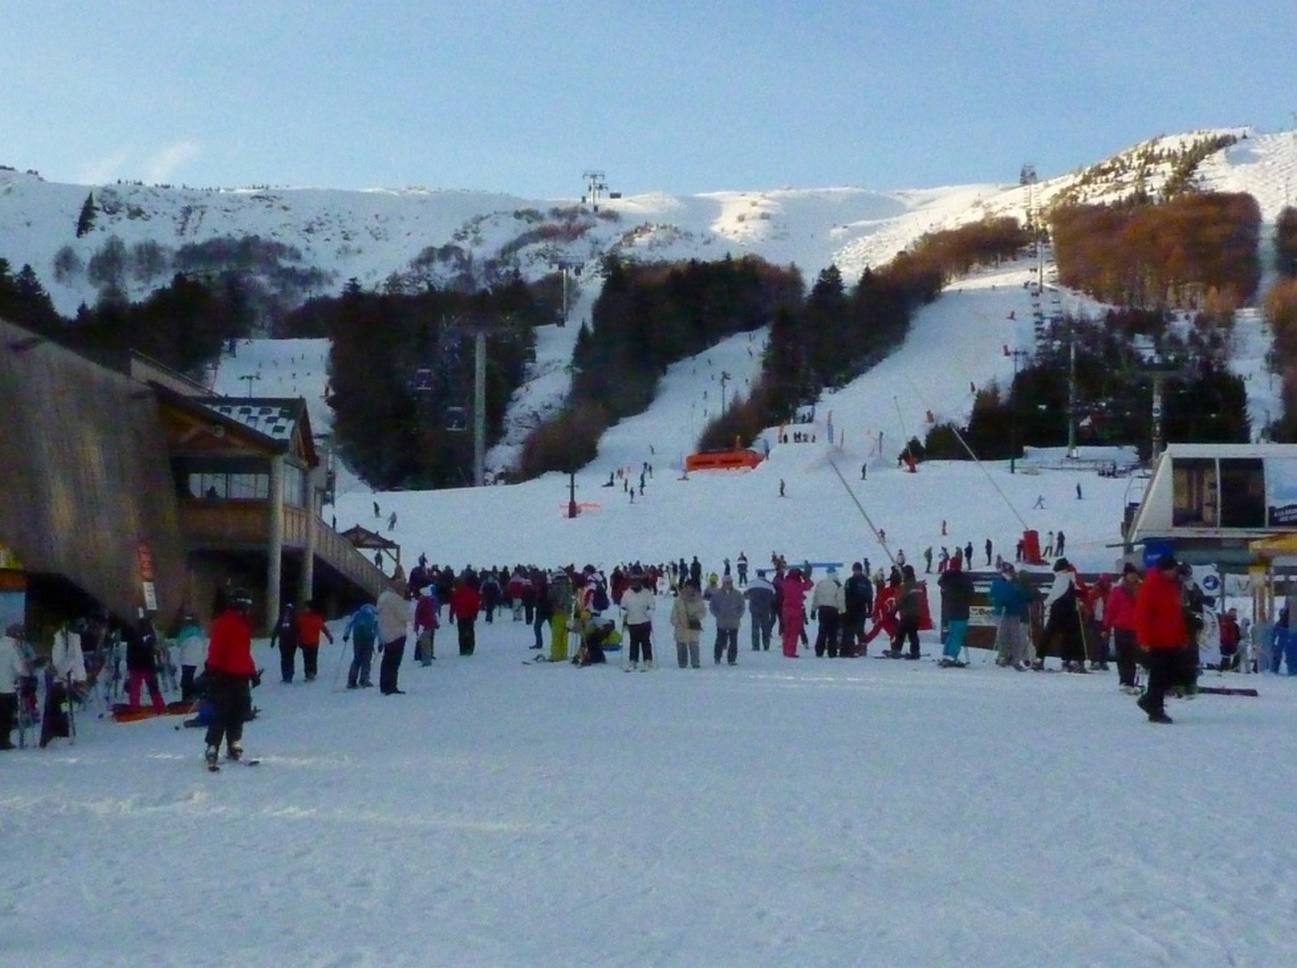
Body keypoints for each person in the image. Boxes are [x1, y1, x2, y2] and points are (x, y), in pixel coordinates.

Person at [203, 588, 258, 768]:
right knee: (221, 712)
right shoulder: (223, 623)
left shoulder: (244, 624)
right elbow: (215, 649)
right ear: (240, 605)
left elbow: (244, 652)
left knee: (240, 710)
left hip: (241, 676)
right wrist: (212, 670)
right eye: (247, 606)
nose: (249, 610)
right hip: (223, 675)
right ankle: (213, 746)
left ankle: (234, 743)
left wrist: (252, 672)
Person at [1134, 555, 1192, 723]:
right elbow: (1142, 614)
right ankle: (1154, 706)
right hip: (1157, 638)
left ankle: (1151, 702)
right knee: (1160, 675)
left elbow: (1175, 614)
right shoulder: (1151, 585)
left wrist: (1182, 635)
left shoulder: (1170, 585)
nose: (1176, 573)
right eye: (1173, 569)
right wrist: (1144, 638)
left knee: (1166, 675)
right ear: (1165, 569)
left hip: (1170, 637)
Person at [1037, 558, 1086, 672]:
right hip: (1071, 611)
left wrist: (1045, 604)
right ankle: (1071, 660)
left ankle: (1040, 657)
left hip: (1059, 610)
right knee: (1071, 636)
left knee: (1049, 634)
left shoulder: (1062, 577)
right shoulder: (1072, 577)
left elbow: (1055, 594)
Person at [1103, 563, 1142, 693]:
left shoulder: (1142, 589)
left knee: (1132, 655)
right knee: (1123, 655)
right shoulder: (1117, 591)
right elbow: (1110, 609)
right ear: (1125, 576)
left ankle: (1130, 680)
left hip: (1137, 627)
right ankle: (1125, 680)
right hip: (1121, 626)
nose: (1133, 577)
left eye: (1135, 574)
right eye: (1131, 574)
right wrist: (1106, 627)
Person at [989, 564, 1031, 670]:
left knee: (1015, 636)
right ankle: (1003, 656)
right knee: (1003, 635)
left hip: (1015, 612)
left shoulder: (1016, 583)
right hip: (1002, 612)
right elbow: (992, 596)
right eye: (1007, 571)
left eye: (1010, 571)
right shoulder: (998, 583)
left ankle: (1015, 657)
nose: (1009, 574)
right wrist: (997, 604)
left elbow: (1023, 596)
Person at [124, 612, 166, 711]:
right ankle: (159, 705)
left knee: (136, 688)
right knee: (152, 687)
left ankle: (135, 706)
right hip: (146, 664)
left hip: (138, 664)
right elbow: (152, 646)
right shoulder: (148, 632)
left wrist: (129, 665)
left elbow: (130, 650)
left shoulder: (133, 631)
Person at [938, 555, 974, 666]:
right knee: (958, 634)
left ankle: (946, 654)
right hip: (961, 610)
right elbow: (970, 592)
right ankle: (952, 656)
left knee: (951, 633)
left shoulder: (945, 578)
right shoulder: (963, 578)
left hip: (949, 609)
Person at [376, 581, 409, 695]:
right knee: (394, 662)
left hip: (385, 632)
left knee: (386, 660)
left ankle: (384, 686)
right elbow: (404, 616)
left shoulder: (382, 597)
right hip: (397, 632)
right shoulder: (395, 599)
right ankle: (391, 686)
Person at [620, 565, 655, 671]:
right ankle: (633, 660)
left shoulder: (646, 593)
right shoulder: (627, 593)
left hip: (644, 621)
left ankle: (648, 660)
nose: (635, 583)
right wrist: (623, 614)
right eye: (633, 581)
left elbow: (652, 606)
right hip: (632, 621)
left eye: (637, 581)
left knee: (645, 642)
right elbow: (623, 606)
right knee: (633, 642)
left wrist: (649, 612)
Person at [1, 623, 31, 749]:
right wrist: (28, 671)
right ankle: (3, 742)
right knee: (6, 717)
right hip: (7, 688)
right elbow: (20, 669)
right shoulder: (13, 649)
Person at [886, 565, 924, 659]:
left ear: (906, 574)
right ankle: (915, 652)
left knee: (900, 633)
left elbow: (901, 600)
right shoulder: (916, 584)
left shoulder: (906, 585)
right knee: (913, 634)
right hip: (916, 613)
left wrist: (893, 611)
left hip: (907, 613)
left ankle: (896, 650)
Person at [777, 567, 814, 658]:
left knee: (787, 631)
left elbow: (778, 582)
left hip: (786, 609)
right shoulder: (799, 585)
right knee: (794, 632)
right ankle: (791, 651)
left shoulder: (785, 584)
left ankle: (785, 650)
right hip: (797, 610)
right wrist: (805, 577)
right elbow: (810, 584)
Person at [670, 579, 707, 668]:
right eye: (688, 587)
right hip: (681, 628)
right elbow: (674, 614)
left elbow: (703, 611)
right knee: (681, 646)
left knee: (694, 645)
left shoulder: (698, 600)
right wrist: (677, 623)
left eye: (692, 588)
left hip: (693, 627)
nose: (690, 589)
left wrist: (696, 617)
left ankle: (695, 663)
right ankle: (682, 664)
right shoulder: (678, 600)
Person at [710, 574, 745, 665]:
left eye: (730, 582)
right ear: (723, 583)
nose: (728, 584)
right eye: (726, 582)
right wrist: (717, 614)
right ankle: (717, 657)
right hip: (721, 622)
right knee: (720, 640)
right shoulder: (717, 594)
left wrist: (738, 615)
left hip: (734, 622)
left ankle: (731, 659)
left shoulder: (737, 594)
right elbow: (712, 606)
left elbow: (742, 606)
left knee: (733, 641)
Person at [342, 601, 380, 688]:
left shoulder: (357, 613)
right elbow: (378, 629)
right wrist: (380, 643)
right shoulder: (374, 616)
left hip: (357, 639)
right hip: (369, 639)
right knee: (367, 660)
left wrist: (346, 635)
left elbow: (349, 624)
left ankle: (351, 681)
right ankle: (364, 680)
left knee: (357, 659)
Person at [295, 599, 334, 682]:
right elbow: (297, 629)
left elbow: (323, 628)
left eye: (307, 607)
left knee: (312, 658)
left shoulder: (315, 618)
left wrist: (329, 637)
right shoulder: (302, 618)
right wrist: (298, 640)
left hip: (313, 642)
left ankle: (311, 672)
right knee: (307, 658)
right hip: (305, 641)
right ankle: (308, 673)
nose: (306, 609)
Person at [841, 562, 873, 657]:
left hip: (860, 608)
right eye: (855, 570)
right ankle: (851, 648)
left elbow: (869, 596)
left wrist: (870, 609)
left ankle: (862, 648)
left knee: (860, 629)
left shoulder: (866, 581)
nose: (856, 572)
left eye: (858, 570)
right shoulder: (850, 581)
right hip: (850, 608)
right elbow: (844, 595)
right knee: (850, 630)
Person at [811, 567, 845, 657]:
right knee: (832, 633)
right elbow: (841, 600)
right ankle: (832, 652)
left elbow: (816, 597)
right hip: (833, 611)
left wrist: (813, 610)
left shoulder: (821, 584)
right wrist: (843, 612)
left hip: (822, 610)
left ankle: (819, 650)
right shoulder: (838, 585)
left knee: (822, 631)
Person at [174, 613, 206, 701]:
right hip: (196, 658)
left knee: (186, 678)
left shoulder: (185, 631)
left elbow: (179, 643)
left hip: (186, 658)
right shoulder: (199, 631)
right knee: (190, 677)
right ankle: (192, 696)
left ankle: (187, 697)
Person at [744, 569, 777, 651]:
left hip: (754, 609)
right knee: (765, 628)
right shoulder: (769, 585)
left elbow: (745, 595)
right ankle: (766, 645)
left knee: (755, 627)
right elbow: (774, 598)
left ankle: (755, 646)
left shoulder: (752, 583)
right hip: (765, 609)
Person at [268, 602, 299, 683]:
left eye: (289, 609)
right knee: (284, 659)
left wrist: (299, 640)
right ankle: (285, 676)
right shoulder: (281, 618)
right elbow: (277, 629)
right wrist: (273, 640)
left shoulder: (294, 619)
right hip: (283, 642)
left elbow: (298, 630)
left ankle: (289, 676)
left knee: (290, 659)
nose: (287, 611)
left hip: (292, 642)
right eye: (286, 609)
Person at [450, 577, 481, 656]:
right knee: (467, 632)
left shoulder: (457, 593)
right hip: (465, 615)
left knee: (464, 633)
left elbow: (453, 605)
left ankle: (464, 649)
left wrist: (451, 614)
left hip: (465, 615)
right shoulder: (468, 592)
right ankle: (468, 648)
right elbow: (475, 603)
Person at [413, 585, 439, 665]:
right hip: (429, 624)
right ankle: (427, 657)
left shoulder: (423, 602)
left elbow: (418, 613)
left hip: (423, 624)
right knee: (428, 642)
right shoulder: (431, 601)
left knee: (424, 642)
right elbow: (433, 613)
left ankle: (425, 659)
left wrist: (416, 624)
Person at [1218, 607, 1242, 672]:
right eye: (1234, 613)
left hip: (1223, 642)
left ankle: (1224, 668)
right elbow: (1235, 635)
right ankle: (1233, 668)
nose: (1235, 615)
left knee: (1225, 657)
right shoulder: (1232, 624)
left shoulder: (1223, 621)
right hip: (1229, 642)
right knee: (1237, 653)